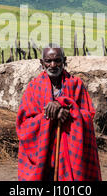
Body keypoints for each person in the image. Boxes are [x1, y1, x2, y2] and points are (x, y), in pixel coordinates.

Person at [16, 43, 102, 181]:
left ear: (64, 61)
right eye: (48, 61)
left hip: (70, 152)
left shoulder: (76, 84)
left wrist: (68, 109)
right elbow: (23, 124)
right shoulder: (34, 87)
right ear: (42, 63)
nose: (53, 65)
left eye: (57, 60)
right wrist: (49, 116)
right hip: (43, 154)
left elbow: (87, 116)